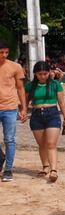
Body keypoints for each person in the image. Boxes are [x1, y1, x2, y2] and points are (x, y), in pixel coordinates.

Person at [24, 61, 65, 182]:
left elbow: (62, 102)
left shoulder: (55, 84)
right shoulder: (30, 86)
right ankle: (45, 166)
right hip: (36, 115)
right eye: (40, 74)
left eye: (45, 73)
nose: (43, 76)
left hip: (52, 114)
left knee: (51, 144)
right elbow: (25, 102)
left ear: (49, 73)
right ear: (35, 74)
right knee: (42, 144)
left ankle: (53, 170)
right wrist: (23, 112)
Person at [0, 40, 26, 182]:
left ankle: (8, 170)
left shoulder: (15, 67)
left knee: (9, 139)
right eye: (1, 52)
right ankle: (1, 157)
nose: (4, 55)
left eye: (6, 52)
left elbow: (20, 88)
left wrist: (24, 108)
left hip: (10, 107)